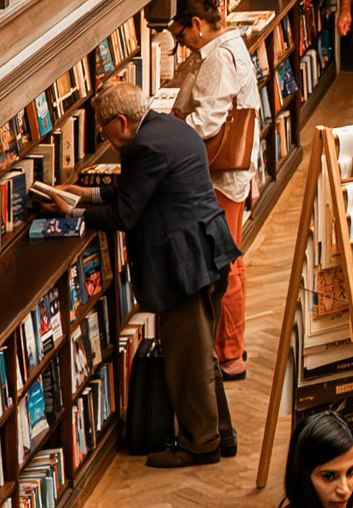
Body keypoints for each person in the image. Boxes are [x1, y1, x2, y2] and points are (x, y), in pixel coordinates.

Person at [46, 78, 239, 466]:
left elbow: (126, 214)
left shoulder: (144, 148)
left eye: (102, 126)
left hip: (183, 265)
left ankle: (200, 445)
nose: (101, 134)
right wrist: (88, 193)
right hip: (208, 251)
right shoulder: (170, 129)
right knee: (201, 354)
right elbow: (141, 190)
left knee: (187, 359)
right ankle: (221, 434)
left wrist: (73, 213)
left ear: (120, 121)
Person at [170, 0, 259, 381]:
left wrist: (169, 142)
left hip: (222, 175)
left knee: (227, 261)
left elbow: (207, 121)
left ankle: (229, 353)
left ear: (197, 26)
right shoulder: (225, 46)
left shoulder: (219, 57)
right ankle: (228, 346)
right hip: (227, 175)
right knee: (228, 257)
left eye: (181, 37)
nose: (181, 45)